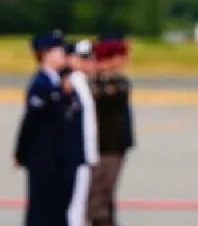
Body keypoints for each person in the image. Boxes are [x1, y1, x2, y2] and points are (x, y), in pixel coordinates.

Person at [13, 30, 78, 226]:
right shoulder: (41, 84)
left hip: (58, 158)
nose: (62, 55)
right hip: (43, 159)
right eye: (58, 50)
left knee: (57, 209)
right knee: (42, 211)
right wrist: (21, 153)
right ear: (45, 54)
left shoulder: (57, 83)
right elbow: (30, 122)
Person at [89, 36, 135, 226]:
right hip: (102, 145)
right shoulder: (95, 83)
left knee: (105, 193)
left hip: (114, 145)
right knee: (98, 194)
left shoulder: (120, 82)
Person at [65, 40, 98, 226]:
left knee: (79, 204)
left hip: (85, 153)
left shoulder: (81, 83)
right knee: (74, 206)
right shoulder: (72, 83)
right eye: (84, 57)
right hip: (76, 154)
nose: (90, 62)